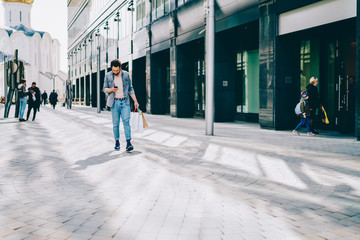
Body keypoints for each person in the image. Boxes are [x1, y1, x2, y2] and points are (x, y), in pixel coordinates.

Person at [103, 59, 139, 151]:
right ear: (111, 68)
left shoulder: (126, 74)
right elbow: (105, 89)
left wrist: (135, 101)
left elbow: (130, 89)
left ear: (120, 68)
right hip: (114, 103)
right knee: (116, 124)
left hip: (125, 102)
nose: (115, 72)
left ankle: (128, 142)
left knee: (126, 122)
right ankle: (117, 141)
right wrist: (111, 89)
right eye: (114, 70)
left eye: (117, 70)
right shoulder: (108, 75)